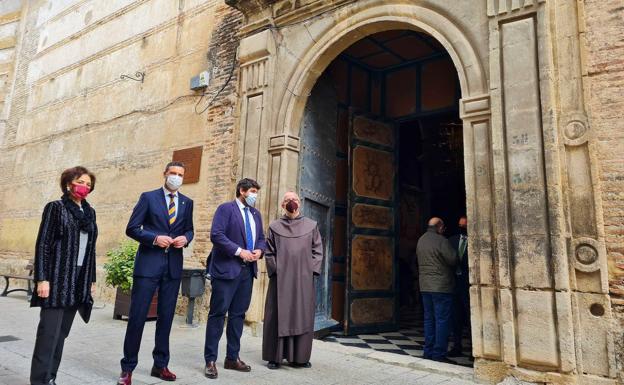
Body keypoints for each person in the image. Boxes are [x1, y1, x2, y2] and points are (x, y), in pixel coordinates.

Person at [117, 162, 194, 385]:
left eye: (180, 175)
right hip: (148, 266)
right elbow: (132, 228)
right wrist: (153, 238)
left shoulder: (187, 202)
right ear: (165, 174)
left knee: (166, 319)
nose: (176, 178)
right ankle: (128, 368)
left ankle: (160, 365)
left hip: (172, 267)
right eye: (173, 174)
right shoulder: (148, 197)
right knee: (138, 318)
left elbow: (189, 228)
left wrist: (186, 239)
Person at [30, 166, 98, 385]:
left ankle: (51, 377)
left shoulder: (90, 212)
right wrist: (42, 279)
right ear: (69, 183)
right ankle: (39, 380)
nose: (84, 187)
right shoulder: (55, 208)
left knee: (61, 334)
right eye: (81, 182)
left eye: (88, 184)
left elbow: (91, 249)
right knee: (49, 333)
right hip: (57, 277)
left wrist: (91, 280)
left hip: (78, 279)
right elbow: (43, 244)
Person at [204, 178, 266, 379]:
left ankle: (232, 357)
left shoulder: (256, 214)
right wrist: (240, 251)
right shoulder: (226, 209)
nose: (255, 195)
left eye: (257, 192)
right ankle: (210, 360)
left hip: (247, 273)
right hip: (226, 271)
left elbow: (261, 240)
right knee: (218, 314)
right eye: (253, 191)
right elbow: (217, 235)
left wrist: (259, 250)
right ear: (242, 191)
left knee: (238, 315)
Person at [262, 192, 323, 369]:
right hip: (280, 280)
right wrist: (277, 270)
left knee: (302, 314)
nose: (292, 203)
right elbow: (269, 252)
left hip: (303, 280)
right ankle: (275, 357)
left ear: (300, 204)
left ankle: (300, 357)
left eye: (295, 200)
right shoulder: (274, 226)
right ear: (282, 205)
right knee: (277, 315)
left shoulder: (311, 226)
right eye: (288, 200)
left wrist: (309, 271)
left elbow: (318, 250)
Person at [416, 217, 458, 364]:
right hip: (441, 287)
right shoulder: (442, 241)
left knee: (429, 319)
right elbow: (453, 259)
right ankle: (439, 354)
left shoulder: (421, 240)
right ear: (440, 227)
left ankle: (428, 352)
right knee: (442, 320)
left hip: (425, 286)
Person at [448, 216, 470, 357]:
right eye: (460, 225)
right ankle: (457, 346)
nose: (462, 227)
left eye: (464, 225)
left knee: (470, 317)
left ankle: (475, 348)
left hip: (469, 285)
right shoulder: (451, 241)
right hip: (454, 284)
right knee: (455, 317)